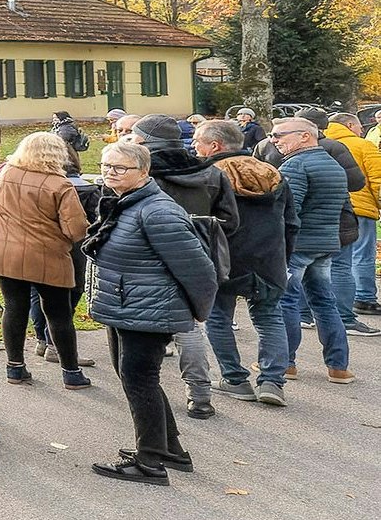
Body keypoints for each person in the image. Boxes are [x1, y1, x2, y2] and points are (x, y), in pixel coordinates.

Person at [85, 142, 218, 485]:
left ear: (143, 172)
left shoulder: (158, 211)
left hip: (149, 311)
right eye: (106, 165)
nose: (109, 172)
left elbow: (199, 270)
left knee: (138, 379)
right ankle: (169, 450)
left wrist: (197, 312)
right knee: (134, 377)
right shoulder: (126, 203)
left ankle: (150, 463)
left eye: (119, 168)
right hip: (127, 307)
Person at [0, 133, 90, 389]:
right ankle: (71, 373)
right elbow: (75, 230)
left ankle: (15, 368)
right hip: (49, 256)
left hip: (5, 254)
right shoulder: (60, 185)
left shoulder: (0, 173)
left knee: (14, 308)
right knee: (59, 314)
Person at [136, 115, 239, 417]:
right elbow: (230, 222)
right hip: (197, 258)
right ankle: (200, 395)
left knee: (140, 332)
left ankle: (146, 396)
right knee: (190, 327)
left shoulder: (141, 172)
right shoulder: (210, 171)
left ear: (145, 140)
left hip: (148, 258)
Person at [196, 119, 292, 405]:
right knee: (269, 318)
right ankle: (273, 381)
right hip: (268, 257)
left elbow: (200, 223)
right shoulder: (273, 173)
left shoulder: (208, 175)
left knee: (218, 318)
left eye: (197, 141)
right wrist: (285, 256)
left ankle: (234, 378)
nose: (193, 146)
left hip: (223, 258)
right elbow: (292, 221)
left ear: (215, 145)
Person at [272, 117, 354, 384]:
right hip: (325, 243)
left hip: (298, 245)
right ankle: (338, 366)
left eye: (280, 135)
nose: (275, 141)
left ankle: (285, 363)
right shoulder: (334, 165)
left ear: (304, 136)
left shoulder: (296, 165)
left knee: (287, 300)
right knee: (324, 302)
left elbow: (287, 210)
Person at [321, 114, 381, 333]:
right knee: (361, 255)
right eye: (358, 127)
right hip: (360, 207)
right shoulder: (363, 145)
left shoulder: (318, 144)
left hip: (327, 208)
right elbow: (377, 178)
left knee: (328, 260)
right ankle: (365, 297)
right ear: (350, 125)